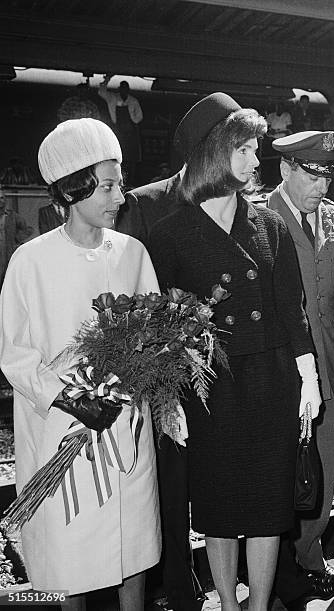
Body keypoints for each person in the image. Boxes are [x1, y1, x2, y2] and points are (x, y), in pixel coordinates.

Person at [147, 92, 320, 611]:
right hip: (210, 388)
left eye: (254, 149)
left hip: (270, 381)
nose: (253, 160)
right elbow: (160, 325)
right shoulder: (169, 234)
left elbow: (292, 308)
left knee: (269, 506)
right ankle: (227, 602)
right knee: (219, 509)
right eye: (242, 149)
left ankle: (260, 604)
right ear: (211, 154)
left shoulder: (269, 225)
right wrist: (167, 398)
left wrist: (308, 376)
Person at [0, 118, 160, 610]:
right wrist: (69, 397)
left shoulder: (133, 253)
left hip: (125, 426)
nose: (120, 196)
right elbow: (15, 353)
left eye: (120, 183)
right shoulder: (30, 261)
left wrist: (139, 376)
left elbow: (154, 331)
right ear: (74, 189)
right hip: (61, 432)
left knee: (131, 551)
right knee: (72, 559)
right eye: (109, 185)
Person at [116, 101, 206, 611]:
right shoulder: (142, 205)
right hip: (166, 373)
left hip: (221, 368)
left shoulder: (237, 203)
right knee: (169, 485)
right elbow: (127, 294)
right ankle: (176, 582)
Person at [268, 131, 334, 608]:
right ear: (286, 170)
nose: (321, 185)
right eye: (311, 174)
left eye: (327, 175)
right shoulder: (259, 217)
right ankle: (289, 570)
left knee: (322, 471)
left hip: (330, 369)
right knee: (285, 475)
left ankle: (308, 557)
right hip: (285, 376)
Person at [98, 74, 143, 184]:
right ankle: (118, 181)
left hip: (131, 133)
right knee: (117, 158)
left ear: (128, 90)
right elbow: (101, 92)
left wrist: (133, 120)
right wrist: (107, 79)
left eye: (126, 89)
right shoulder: (112, 98)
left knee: (131, 159)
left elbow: (139, 117)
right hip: (117, 132)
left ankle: (131, 181)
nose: (124, 91)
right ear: (119, 89)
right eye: (122, 89)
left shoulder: (133, 101)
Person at [0, 186, 32, 287]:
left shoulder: (12, 215)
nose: (0, 201)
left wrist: (16, 239)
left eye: (1, 198)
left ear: (5, 199)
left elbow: (28, 229)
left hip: (7, 251)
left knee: (7, 279)